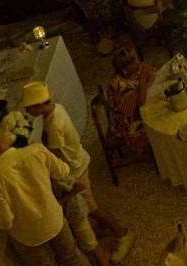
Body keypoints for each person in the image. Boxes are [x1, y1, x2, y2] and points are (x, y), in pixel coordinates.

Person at [23, 81, 133, 266]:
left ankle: (123, 233)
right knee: (89, 206)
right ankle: (108, 229)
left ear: (39, 105)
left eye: (29, 108)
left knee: (90, 208)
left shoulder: (54, 126)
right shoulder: (55, 110)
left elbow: (53, 156)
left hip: (75, 169)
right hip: (78, 161)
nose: (27, 112)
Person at [0, 123, 84, 266]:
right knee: (72, 257)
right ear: (6, 139)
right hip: (54, 220)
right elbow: (63, 171)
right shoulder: (36, 151)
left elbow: (6, 221)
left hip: (27, 236)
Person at [106, 45, 155, 154]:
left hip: (136, 113)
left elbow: (152, 79)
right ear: (124, 70)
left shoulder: (132, 73)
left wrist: (146, 77)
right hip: (126, 124)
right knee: (158, 126)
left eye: (137, 58)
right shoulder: (119, 85)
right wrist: (143, 78)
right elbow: (141, 102)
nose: (138, 62)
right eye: (134, 62)